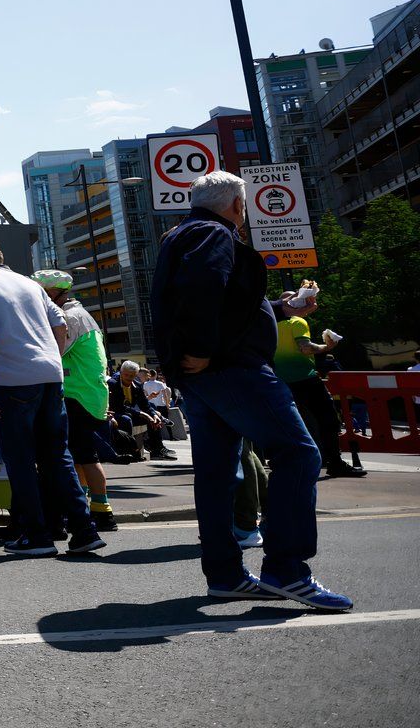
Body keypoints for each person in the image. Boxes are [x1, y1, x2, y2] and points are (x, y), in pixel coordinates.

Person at [149, 170, 350, 610]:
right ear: (237, 206)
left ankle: (225, 575)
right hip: (231, 368)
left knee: (217, 473)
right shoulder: (213, 234)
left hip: (200, 374)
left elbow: (229, 302)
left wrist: (284, 307)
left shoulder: (181, 234)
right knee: (299, 453)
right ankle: (287, 569)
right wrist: (204, 350)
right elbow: (204, 290)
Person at [0, 236, 104, 558]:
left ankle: (36, 535)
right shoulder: (29, 285)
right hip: (51, 376)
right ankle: (84, 530)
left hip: (13, 382)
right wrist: (51, 355)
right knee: (58, 455)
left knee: (21, 459)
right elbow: (61, 321)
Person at [32, 270, 118, 533]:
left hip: (77, 395)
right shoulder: (82, 314)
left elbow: (52, 350)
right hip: (87, 395)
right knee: (80, 457)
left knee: (85, 456)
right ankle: (83, 507)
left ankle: (103, 514)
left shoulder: (68, 317)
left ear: (53, 294)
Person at [273, 285, 362, 479]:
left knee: (286, 423)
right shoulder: (297, 322)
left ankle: (285, 462)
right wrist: (327, 346)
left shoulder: (268, 324)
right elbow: (305, 348)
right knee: (328, 420)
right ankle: (335, 462)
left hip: (278, 381)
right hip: (305, 379)